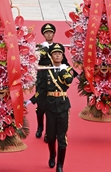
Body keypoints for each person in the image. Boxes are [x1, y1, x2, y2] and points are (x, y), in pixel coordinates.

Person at [29, 42, 73, 172]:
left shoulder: (67, 69)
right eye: (55, 54)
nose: (58, 55)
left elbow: (68, 81)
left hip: (63, 105)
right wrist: (33, 102)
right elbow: (41, 89)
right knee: (51, 136)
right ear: (51, 55)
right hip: (50, 106)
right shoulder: (46, 70)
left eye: (60, 53)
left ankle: (60, 164)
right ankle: (52, 155)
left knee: (62, 137)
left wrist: (63, 71)